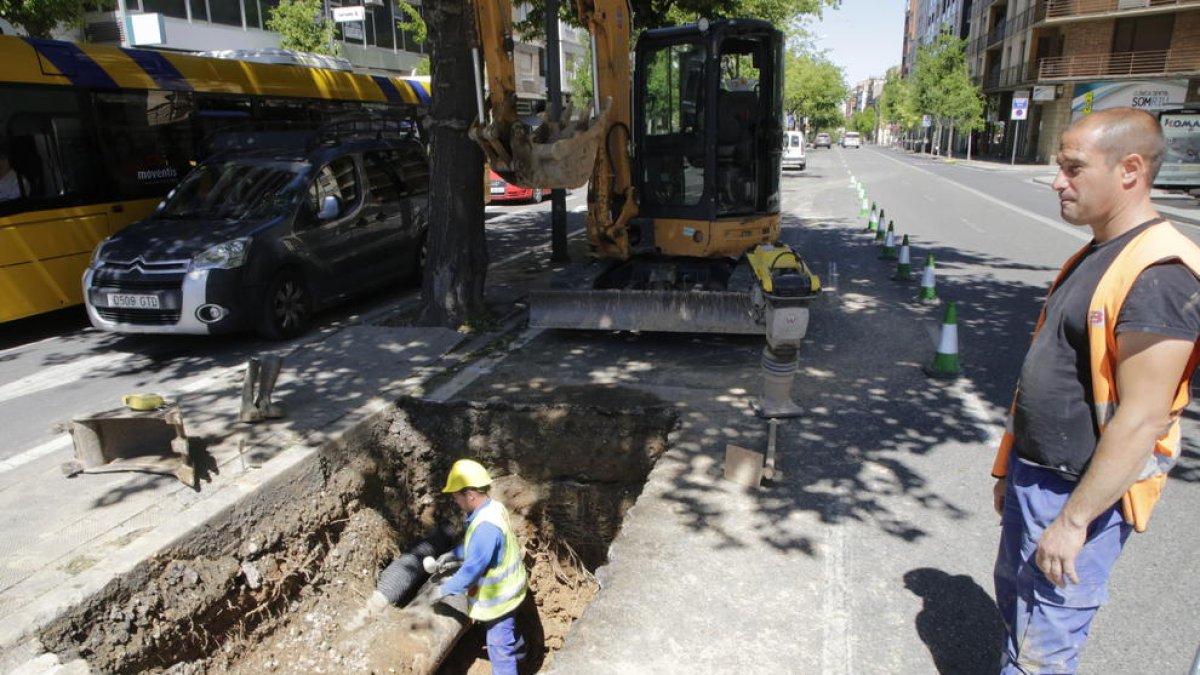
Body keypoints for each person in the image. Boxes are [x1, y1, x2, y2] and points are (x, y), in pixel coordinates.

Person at [992, 106, 1200, 673]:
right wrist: (1011, 469)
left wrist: (1074, 522)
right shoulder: (1095, 252)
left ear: (1130, 169)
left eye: (1073, 167)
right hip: (1039, 479)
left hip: (1078, 495)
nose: (1059, 180)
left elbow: (1141, 418)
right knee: (1018, 618)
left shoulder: (1160, 273)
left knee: (1043, 649)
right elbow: (1051, 370)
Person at [432, 459, 528, 675]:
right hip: (514, 591)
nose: (455, 501)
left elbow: (470, 573)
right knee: (511, 634)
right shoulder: (494, 508)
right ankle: (523, 658)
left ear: (470, 495)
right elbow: (482, 549)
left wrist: (442, 591)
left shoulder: (485, 527)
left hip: (499, 602)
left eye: (456, 496)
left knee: (499, 649)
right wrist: (454, 554)